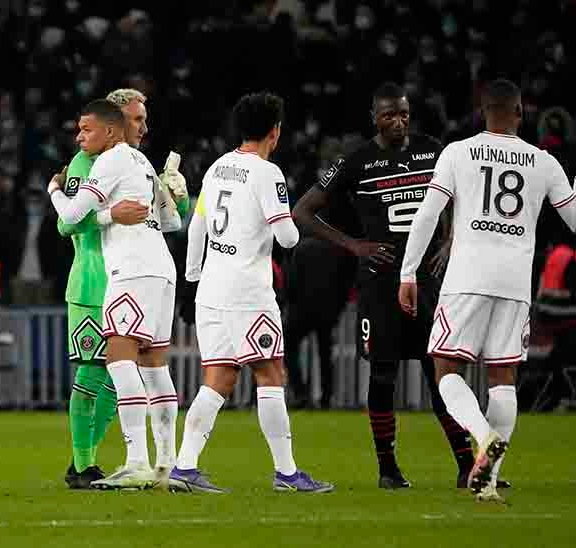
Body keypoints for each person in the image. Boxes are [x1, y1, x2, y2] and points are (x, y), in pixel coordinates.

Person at [399, 79, 576, 503]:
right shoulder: (544, 162)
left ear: (483, 112)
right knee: (503, 377)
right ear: (519, 113)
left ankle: (482, 437)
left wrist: (408, 272)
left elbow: (427, 215)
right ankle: (489, 480)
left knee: (445, 369)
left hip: (467, 277)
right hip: (515, 283)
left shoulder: (458, 152)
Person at [293, 82, 475, 489]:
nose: (399, 121)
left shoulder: (433, 149)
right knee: (384, 374)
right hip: (380, 284)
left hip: (429, 282)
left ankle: (467, 466)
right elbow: (302, 211)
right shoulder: (355, 160)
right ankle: (388, 469)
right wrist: (354, 245)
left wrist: (449, 239)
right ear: (373, 117)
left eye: (404, 114)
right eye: (389, 114)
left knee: (441, 373)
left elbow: (461, 197)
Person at [169, 92, 334, 494]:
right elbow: (287, 236)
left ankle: (184, 467)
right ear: (275, 132)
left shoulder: (217, 167)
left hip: (211, 289)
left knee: (219, 378)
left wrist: (192, 281)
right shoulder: (267, 174)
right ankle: (288, 474)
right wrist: (294, 224)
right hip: (248, 292)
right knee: (270, 373)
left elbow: (196, 229)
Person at [57, 88, 189, 489]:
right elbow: (170, 222)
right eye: (138, 120)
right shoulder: (133, 161)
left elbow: (70, 217)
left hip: (127, 272)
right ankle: (165, 464)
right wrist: (172, 201)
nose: (144, 128)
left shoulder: (112, 158)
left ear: (107, 130)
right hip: (155, 271)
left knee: (116, 366)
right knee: (148, 367)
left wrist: (53, 192)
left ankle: (132, 462)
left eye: (85, 130)